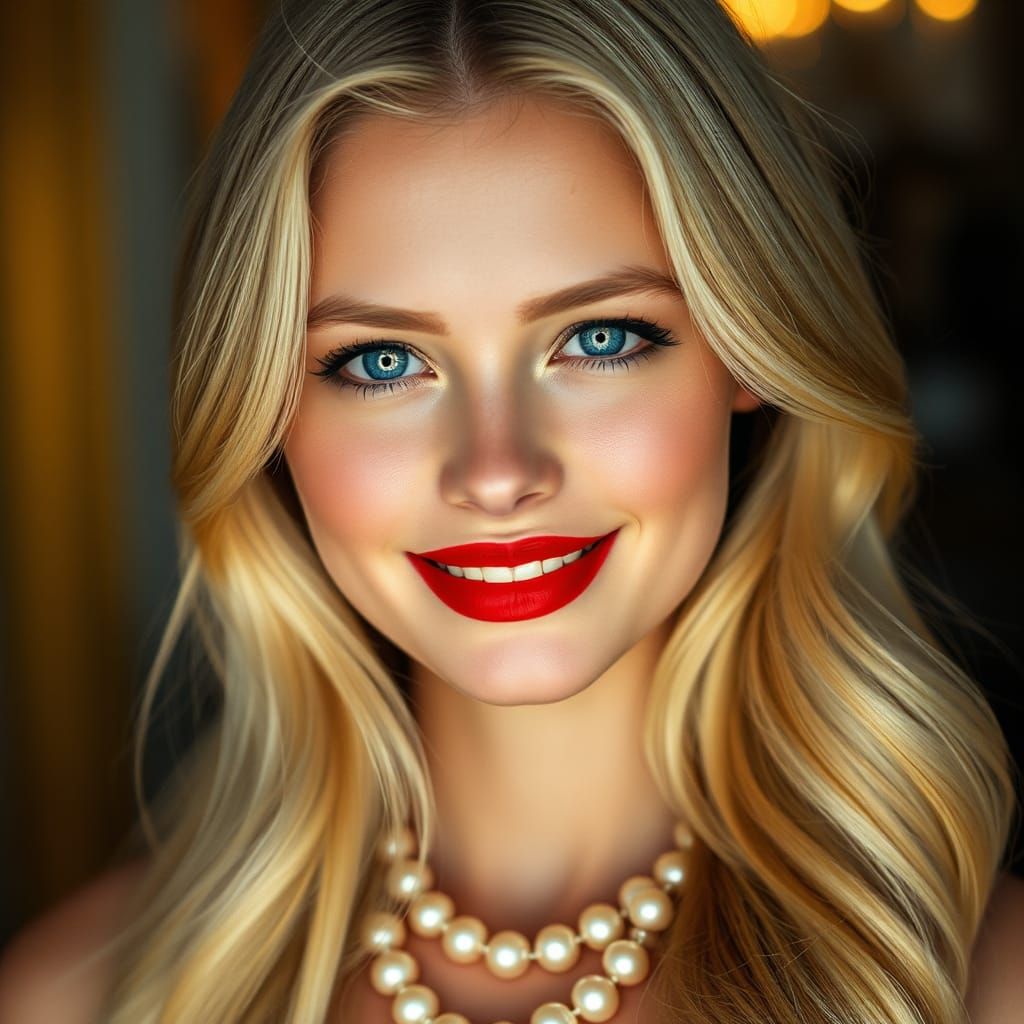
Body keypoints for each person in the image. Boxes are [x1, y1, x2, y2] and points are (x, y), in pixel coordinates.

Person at [1, 1, 1022, 1022]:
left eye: (600, 339)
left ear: (746, 345)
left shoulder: (979, 984)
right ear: (266, 410)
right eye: (383, 361)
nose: (496, 471)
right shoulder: (76, 996)